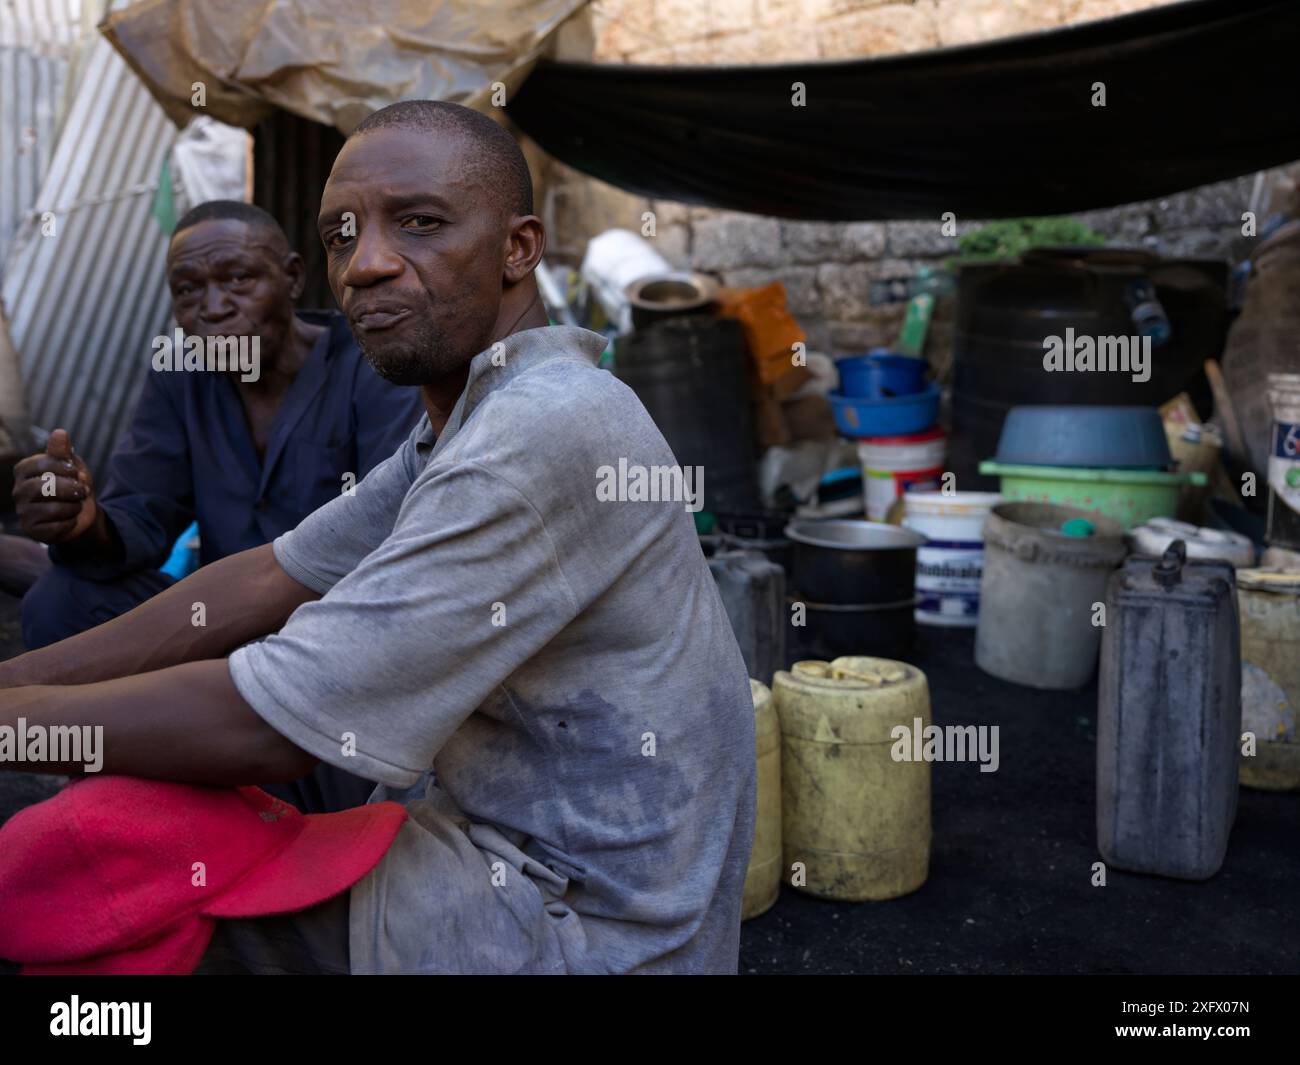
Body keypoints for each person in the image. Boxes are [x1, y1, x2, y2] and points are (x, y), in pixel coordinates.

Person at [0, 100, 755, 975]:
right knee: (98, 825)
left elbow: (271, 725)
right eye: (343, 236)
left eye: (422, 224)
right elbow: (261, 577)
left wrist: (14, 722)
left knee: (100, 897)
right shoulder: (466, 420)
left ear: (519, 248)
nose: (366, 265)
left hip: (584, 926)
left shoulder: (544, 428)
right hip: (491, 844)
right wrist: (14, 682)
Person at [10, 201, 423, 650]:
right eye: (188, 290)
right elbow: (141, 517)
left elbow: (383, 535)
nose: (213, 308)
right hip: (219, 625)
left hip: (336, 631)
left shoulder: (369, 365)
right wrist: (85, 525)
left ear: (293, 278)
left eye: (239, 279)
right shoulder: (180, 376)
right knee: (61, 599)